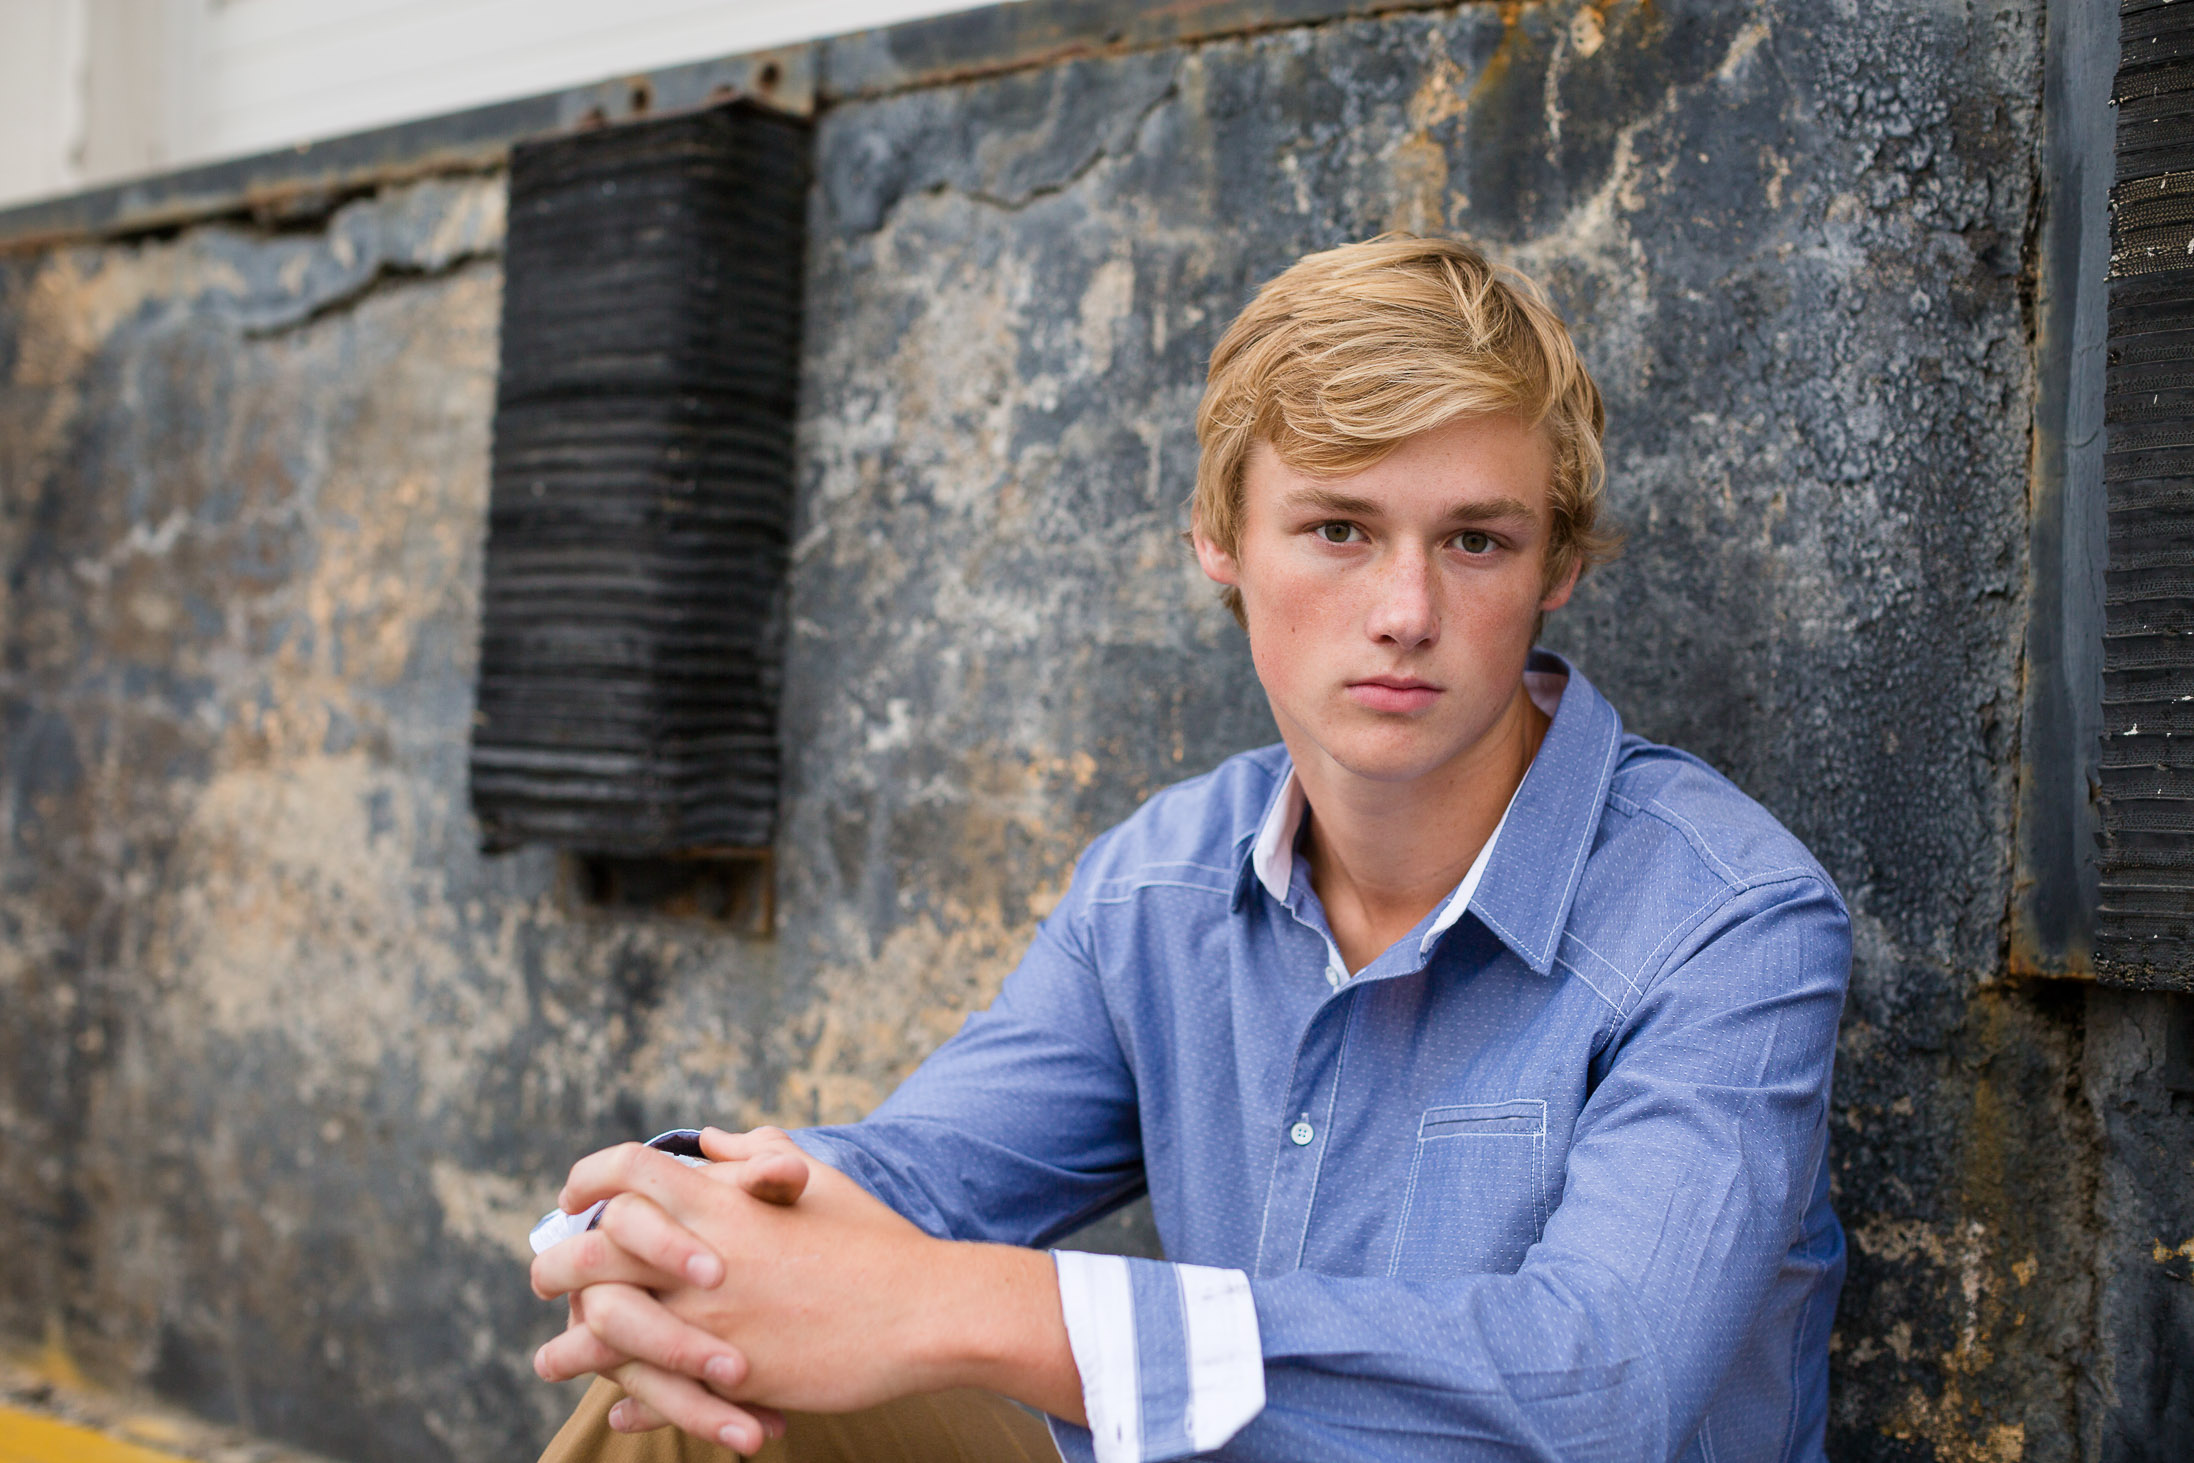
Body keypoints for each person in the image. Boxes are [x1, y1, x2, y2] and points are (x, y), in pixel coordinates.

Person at [524, 234, 1850, 1463]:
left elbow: (1607, 1390)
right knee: (694, 1368)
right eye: (1338, 528)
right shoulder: (1164, 881)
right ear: (1219, 544)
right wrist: (681, 1219)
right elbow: (919, 1175)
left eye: (1474, 541)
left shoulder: (1727, 918)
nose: (1404, 611)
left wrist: (985, 1308)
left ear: (1553, 565)